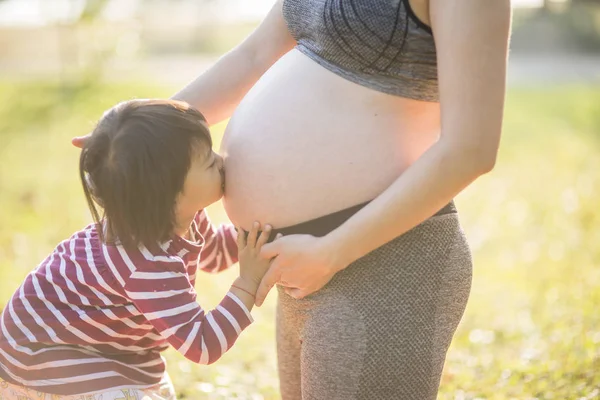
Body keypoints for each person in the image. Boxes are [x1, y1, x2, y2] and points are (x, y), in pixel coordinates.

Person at [74, 0, 512, 398]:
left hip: (381, 257)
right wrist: (138, 147)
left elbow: (469, 149)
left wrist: (331, 251)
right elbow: (255, 55)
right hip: (303, 265)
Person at [0, 99, 276, 400]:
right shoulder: (146, 263)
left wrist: (259, 230)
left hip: (100, 350)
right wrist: (247, 284)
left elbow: (214, 253)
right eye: (209, 163)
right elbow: (202, 343)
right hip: (45, 363)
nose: (221, 161)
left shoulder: (180, 216)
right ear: (168, 196)